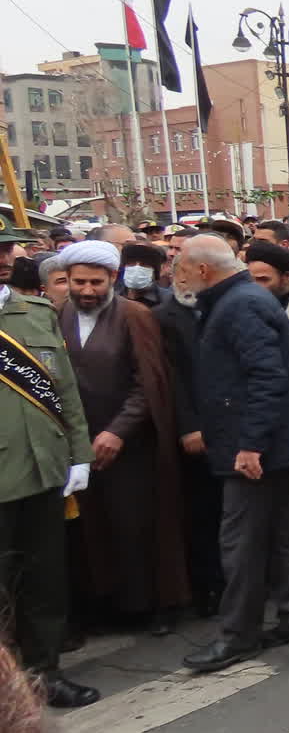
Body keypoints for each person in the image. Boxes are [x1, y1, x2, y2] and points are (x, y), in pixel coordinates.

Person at [170, 235, 289, 673]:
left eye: (180, 267)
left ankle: (238, 636)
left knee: (241, 542)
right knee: (280, 534)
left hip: (253, 448)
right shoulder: (239, 299)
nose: (174, 275)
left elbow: (267, 377)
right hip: (265, 443)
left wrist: (251, 444)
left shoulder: (240, 304)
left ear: (201, 270)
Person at [57, 240, 184, 631]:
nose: (87, 291)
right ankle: (104, 605)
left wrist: (118, 431)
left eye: (96, 282)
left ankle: (151, 606)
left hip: (129, 442)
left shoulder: (134, 315)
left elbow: (147, 383)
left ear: (112, 278)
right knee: (91, 529)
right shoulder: (57, 315)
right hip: (78, 444)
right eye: (79, 282)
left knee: (136, 525)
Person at [0, 266, 96, 707]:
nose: (5, 259)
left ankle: (45, 673)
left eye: (5, 249)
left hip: (43, 468)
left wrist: (79, 452)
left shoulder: (36, 313)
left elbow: (65, 389)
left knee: (44, 579)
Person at [244, 239, 289, 314]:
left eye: (263, 279)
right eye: (250, 279)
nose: (254, 286)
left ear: (286, 277)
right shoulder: (243, 300)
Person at [118, 242, 168, 307]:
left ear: (156, 270)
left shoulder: (167, 301)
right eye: (131, 263)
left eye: (144, 264)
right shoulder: (112, 296)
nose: (137, 268)